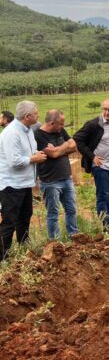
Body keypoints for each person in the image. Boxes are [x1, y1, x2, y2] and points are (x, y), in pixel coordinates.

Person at [0, 101, 47, 260]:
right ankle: (2, 257)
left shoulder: (28, 131)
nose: (38, 114)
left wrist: (36, 154)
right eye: (35, 112)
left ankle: (24, 248)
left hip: (25, 184)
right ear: (27, 116)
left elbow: (28, 152)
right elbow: (14, 161)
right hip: (11, 185)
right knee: (9, 221)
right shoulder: (11, 133)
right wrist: (34, 158)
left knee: (25, 216)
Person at [74, 99, 109, 229]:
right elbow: (77, 139)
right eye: (104, 109)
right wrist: (92, 156)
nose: (107, 112)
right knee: (103, 195)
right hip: (101, 166)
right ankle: (105, 224)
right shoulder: (93, 124)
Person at [34, 110, 78, 240]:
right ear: (52, 123)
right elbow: (53, 154)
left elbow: (74, 146)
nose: (62, 127)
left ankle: (74, 236)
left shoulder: (59, 130)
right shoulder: (38, 136)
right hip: (50, 182)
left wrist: (59, 149)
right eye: (60, 124)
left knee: (71, 210)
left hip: (67, 178)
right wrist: (64, 145)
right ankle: (55, 242)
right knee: (53, 213)